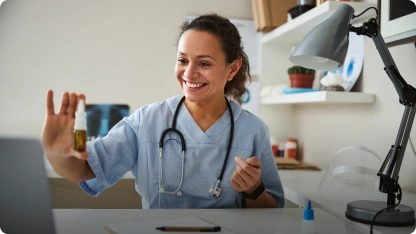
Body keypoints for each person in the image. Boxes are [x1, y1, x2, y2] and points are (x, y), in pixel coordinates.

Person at [42, 14, 285, 209]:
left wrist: (254, 190)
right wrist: (57, 153)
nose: (189, 74)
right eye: (182, 60)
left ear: (232, 68)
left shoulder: (253, 130)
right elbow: (85, 169)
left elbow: (272, 209)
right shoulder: (147, 121)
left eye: (204, 63)